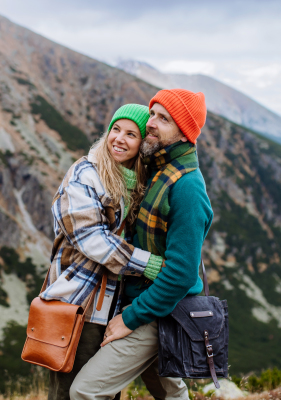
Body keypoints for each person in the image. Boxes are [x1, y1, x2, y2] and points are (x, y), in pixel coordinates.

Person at [70, 89, 213, 400]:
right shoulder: (160, 170)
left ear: (183, 131)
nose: (151, 123)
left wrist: (129, 319)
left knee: (85, 392)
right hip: (148, 303)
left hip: (159, 311)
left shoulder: (187, 187)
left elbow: (181, 274)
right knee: (170, 394)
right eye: (152, 114)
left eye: (163, 118)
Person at [42, 104, 165, 400]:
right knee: (69, 393)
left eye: (131, 134)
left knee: (103, 393)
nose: (119, 138)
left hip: (114, 309)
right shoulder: (86, 174)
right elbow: (91, 239)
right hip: (77, 305)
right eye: (116, 129)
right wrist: (149, 265)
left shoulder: (138, 183)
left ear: (142, 143)